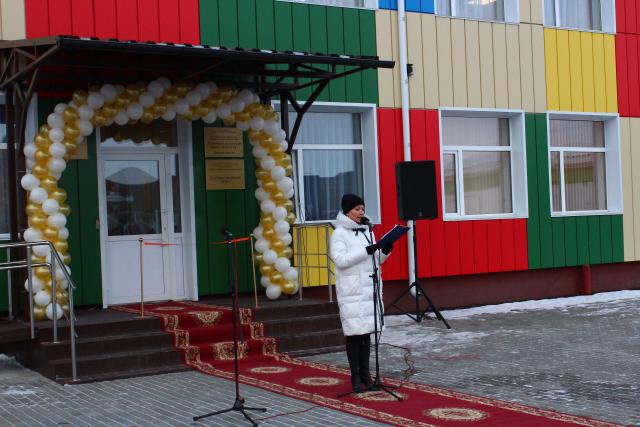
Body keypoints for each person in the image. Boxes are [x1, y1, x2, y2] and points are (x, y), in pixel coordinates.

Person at [329, 194, 393, 393]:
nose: (361, 212)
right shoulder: (339, 233)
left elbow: (374, 259)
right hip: (352, 290)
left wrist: (384, 251)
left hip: (368, 288)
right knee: (355, 334)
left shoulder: (367, 231)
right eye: (357, 209)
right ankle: (355, 376)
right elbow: (341, 260)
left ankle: (366, 376)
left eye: (363, 209)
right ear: (347, 211)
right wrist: (367, 250)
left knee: (366, 334)